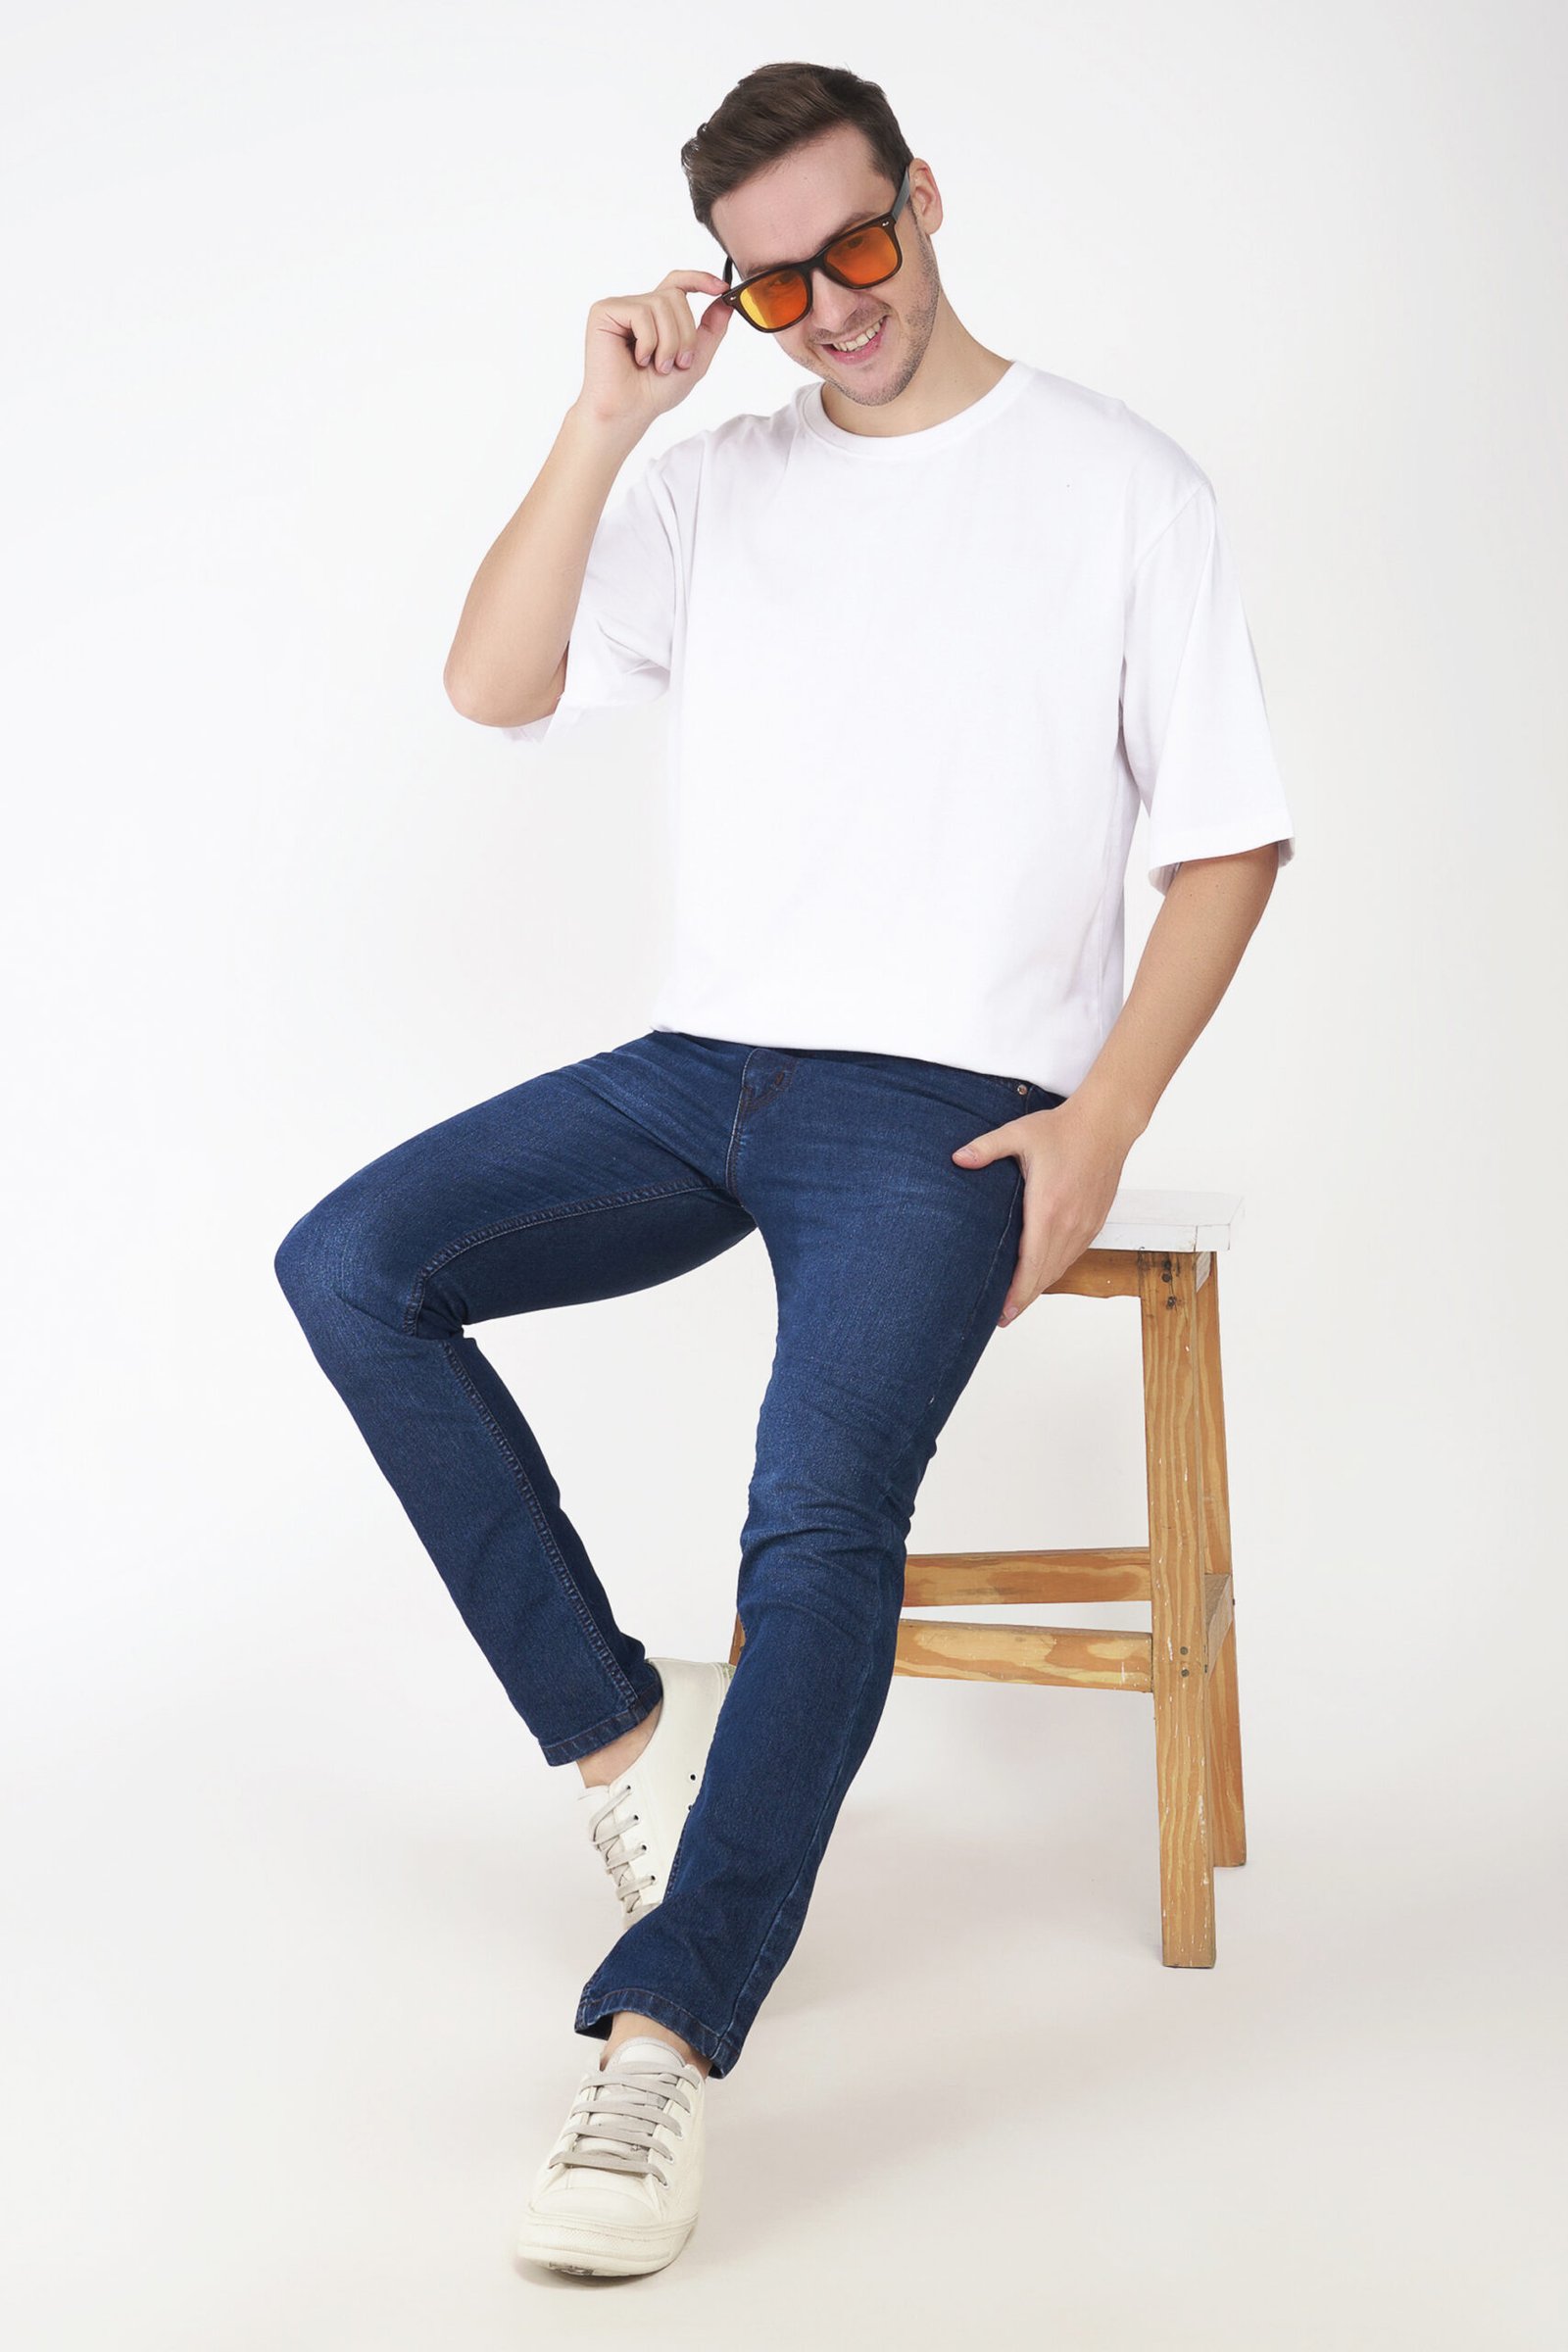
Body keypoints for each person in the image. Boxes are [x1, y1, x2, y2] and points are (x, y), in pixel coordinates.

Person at [274, 59, 1297, 2283]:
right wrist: (604, 422)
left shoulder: (1119, 484)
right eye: (771, 284)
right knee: (351, 1262)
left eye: (855, 246)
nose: (831, 307)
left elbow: (1226, 839)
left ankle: (660, 2045)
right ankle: (624, 1742)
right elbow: (491, 682)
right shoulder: (716, 481)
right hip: (702, 1067)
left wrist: (1104, 1116)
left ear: (922, 198)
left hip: (938, 1103)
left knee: (815, 1523)